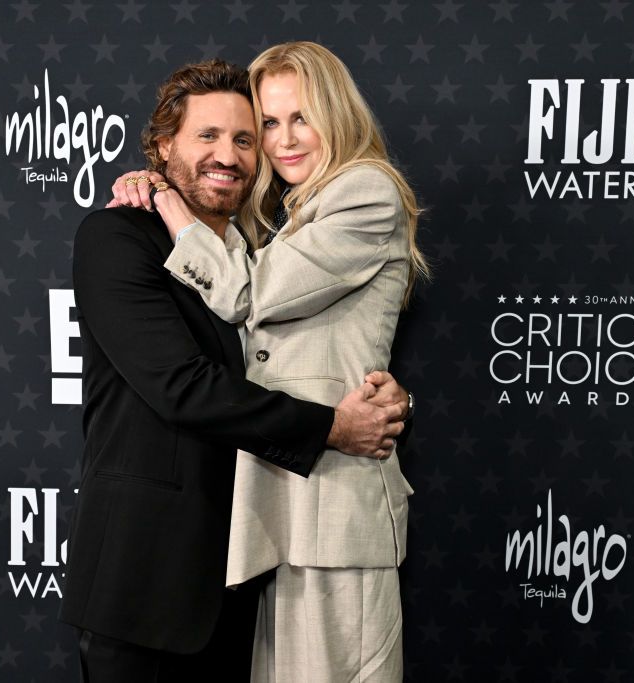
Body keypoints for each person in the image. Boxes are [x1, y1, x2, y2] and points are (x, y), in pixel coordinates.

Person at [60, 59, 412, 683]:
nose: (234, 153)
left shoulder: (254, 250)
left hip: (244, 569)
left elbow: (307, 348)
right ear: (164, 145)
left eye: (245, 138)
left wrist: (384, 395)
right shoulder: (118, 237)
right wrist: (335, 426)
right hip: (143, 581)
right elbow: (183, 388)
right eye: (208, 136)